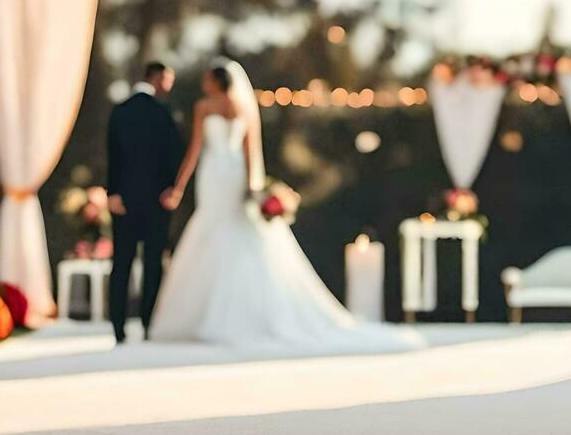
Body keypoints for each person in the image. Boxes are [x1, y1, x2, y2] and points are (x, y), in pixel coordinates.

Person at [148, 58, 421, 355]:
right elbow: (251, 154)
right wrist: (254, 186)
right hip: (232, 174)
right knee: (228, 231)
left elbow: (196, 151)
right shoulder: (242, 107)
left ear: (216, 82)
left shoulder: (204, 108)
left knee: (217, 231)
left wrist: (179, 186)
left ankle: (215, 316)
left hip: (215, 173)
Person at [106, 61, 181, 343]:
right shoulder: (165, 113)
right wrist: (172, 190)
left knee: (121, 263)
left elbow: (111, 156)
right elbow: (175, 155)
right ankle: (149, 323)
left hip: (123, 200)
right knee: (152, 263)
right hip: (156, 203)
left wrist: (112, 193)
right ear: (158, 78)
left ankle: (118, 326)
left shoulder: (120, 111)